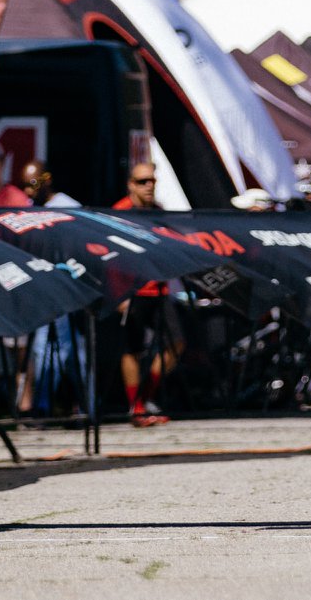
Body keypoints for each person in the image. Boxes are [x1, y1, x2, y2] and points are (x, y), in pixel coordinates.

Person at [113, 163, 179, 426]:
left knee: (177, 342)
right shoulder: (119, 212)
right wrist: (119, 294)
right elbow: (110, 257)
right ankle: (136, 407)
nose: (149, 186)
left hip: (160, 289)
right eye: (142, 181)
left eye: (152, 180)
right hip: (132, 291)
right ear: (130, 184)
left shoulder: (160, 212)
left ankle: (144, 397)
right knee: (132, 349)